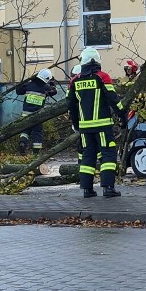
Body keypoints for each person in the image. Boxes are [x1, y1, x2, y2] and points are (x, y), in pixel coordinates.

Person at [67, 47, 127, 198]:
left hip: (85, 128)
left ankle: (87, 190)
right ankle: (108, 188)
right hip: (102, 127)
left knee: (88, 156)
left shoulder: (74, 81)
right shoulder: (102, 77)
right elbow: (113, 99)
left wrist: (75, 124)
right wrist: (122, 115)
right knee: (108, 155)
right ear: (97, 60)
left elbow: (71, 106)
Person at [16, 68, 57, 154]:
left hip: (26, 114)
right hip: (38, 115)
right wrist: (52, 83)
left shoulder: (29, 85)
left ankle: (22, 142)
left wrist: (22, 83)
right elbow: (54, 91)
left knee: (26, 131)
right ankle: (36, 153)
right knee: (37, 132)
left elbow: (19, 91)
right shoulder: (46, 88)